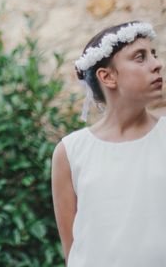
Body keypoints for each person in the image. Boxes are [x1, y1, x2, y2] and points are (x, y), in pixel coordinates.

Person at [51, 21, 165, 266]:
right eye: (140, 57)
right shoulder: (70, 152)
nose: (157, 65)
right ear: (108, 76)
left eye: (154, 55)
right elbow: (72, 249)